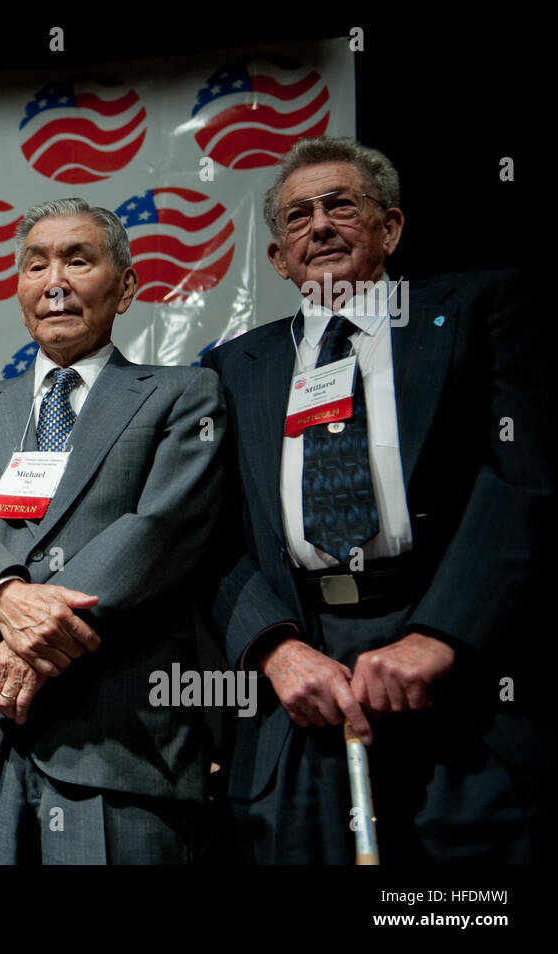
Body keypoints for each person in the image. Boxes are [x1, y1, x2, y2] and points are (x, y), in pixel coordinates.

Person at [202, 136, 550, 863]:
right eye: (298, 217)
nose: (320, 226)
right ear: (277, 258)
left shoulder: (486, 305)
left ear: (390, 228)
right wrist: (274, 648)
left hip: (460, 670)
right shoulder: (235, 365)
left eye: (341, 206)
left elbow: (522, 480)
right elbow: (208, 534)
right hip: (304, 670)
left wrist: (441, 635)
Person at [0, 197, 225, 864]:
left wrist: (29, 642)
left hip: (116, 728)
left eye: (79, 260)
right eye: (34, 264)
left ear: (127, 286)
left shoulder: (184, 393)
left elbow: (160, 530)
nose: (54, 281)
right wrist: (2, 597)